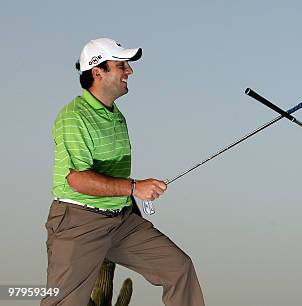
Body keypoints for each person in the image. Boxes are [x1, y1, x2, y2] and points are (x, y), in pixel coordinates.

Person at [43, 38, 205, 306]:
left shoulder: (115, 115)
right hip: (78, 223)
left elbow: (113, 176)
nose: (129, 71)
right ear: (98, 72)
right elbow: (77, 179)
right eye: (121, 65)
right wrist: (134, 187)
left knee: (178, 268)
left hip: (120, 221)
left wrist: (132, 199)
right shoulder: (73, 117)